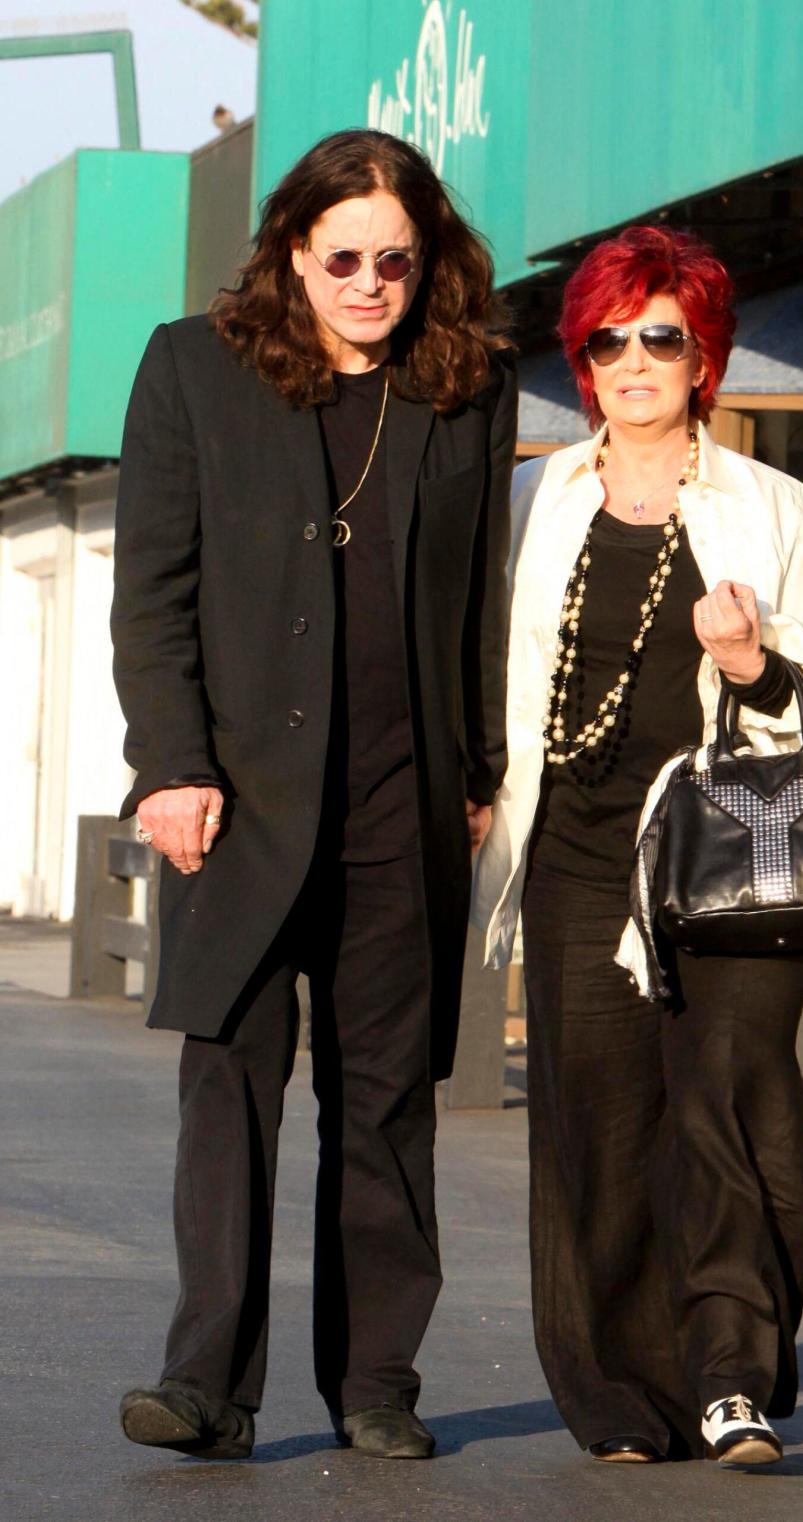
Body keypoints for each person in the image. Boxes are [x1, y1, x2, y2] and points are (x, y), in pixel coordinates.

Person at [112, 128, 517, 1462]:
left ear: (425, 261)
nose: (367, 282)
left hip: (404, 804)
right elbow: (152, 591)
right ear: (290, 250)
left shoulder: (468, 382)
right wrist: (169, 765)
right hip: (238, 801)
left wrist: (478, 767)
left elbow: (480, 600)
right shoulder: (193, 367)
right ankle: (207, 1386)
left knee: (388, 1100)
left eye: (394, 259)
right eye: (340, 256)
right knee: (226, 1088)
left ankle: (377, 1383)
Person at [473, 226, 803, 1466]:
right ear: (583, 360)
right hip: (579, 849)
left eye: (659, 336)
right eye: (606, 338)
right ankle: (624, 1391)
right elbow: (495, 664)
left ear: (704, 355)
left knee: (733, 1107)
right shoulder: (538, 496)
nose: (632, 359)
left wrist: (752, 659)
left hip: (735, 847)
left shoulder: (774, 501)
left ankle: (732, 1375)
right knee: (598, 1120)